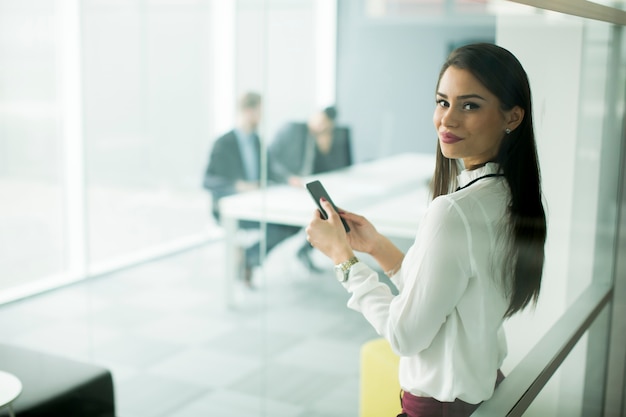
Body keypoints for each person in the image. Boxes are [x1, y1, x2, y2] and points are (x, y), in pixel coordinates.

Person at [305, 43, 547, 417]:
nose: (447, 120)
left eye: (470, 105)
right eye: (442, 102)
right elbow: (446, 296)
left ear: (512, 117)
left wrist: (344, 261)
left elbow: (405, 335)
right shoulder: (508, 196)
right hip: (483, 393)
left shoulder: (453, 211)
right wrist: (379, 248)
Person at [203, 92, 299, 287]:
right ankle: (247, 262)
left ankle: (248, 258)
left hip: (256, 205)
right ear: (248, 111)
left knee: (291, 225)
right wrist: (237, 186)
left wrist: (288, 178)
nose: (261, 118)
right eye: (259, 112)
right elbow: (207, 180)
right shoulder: (224, 142)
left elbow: (271, 168)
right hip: (231, 209)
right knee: (280, 226)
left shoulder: (257, 140)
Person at [268, 106, 352, 270]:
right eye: (320, 121)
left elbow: (334, 169)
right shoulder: (293, 129)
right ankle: (251, 258)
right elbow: (269, 159)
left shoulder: (320, 137)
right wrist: (287, 178)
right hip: (284, 188)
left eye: (325, 125)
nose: (320, 126)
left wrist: (325, 147)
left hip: (304, 189)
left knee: (333, 215)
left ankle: (305, 250)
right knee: (290, 226)